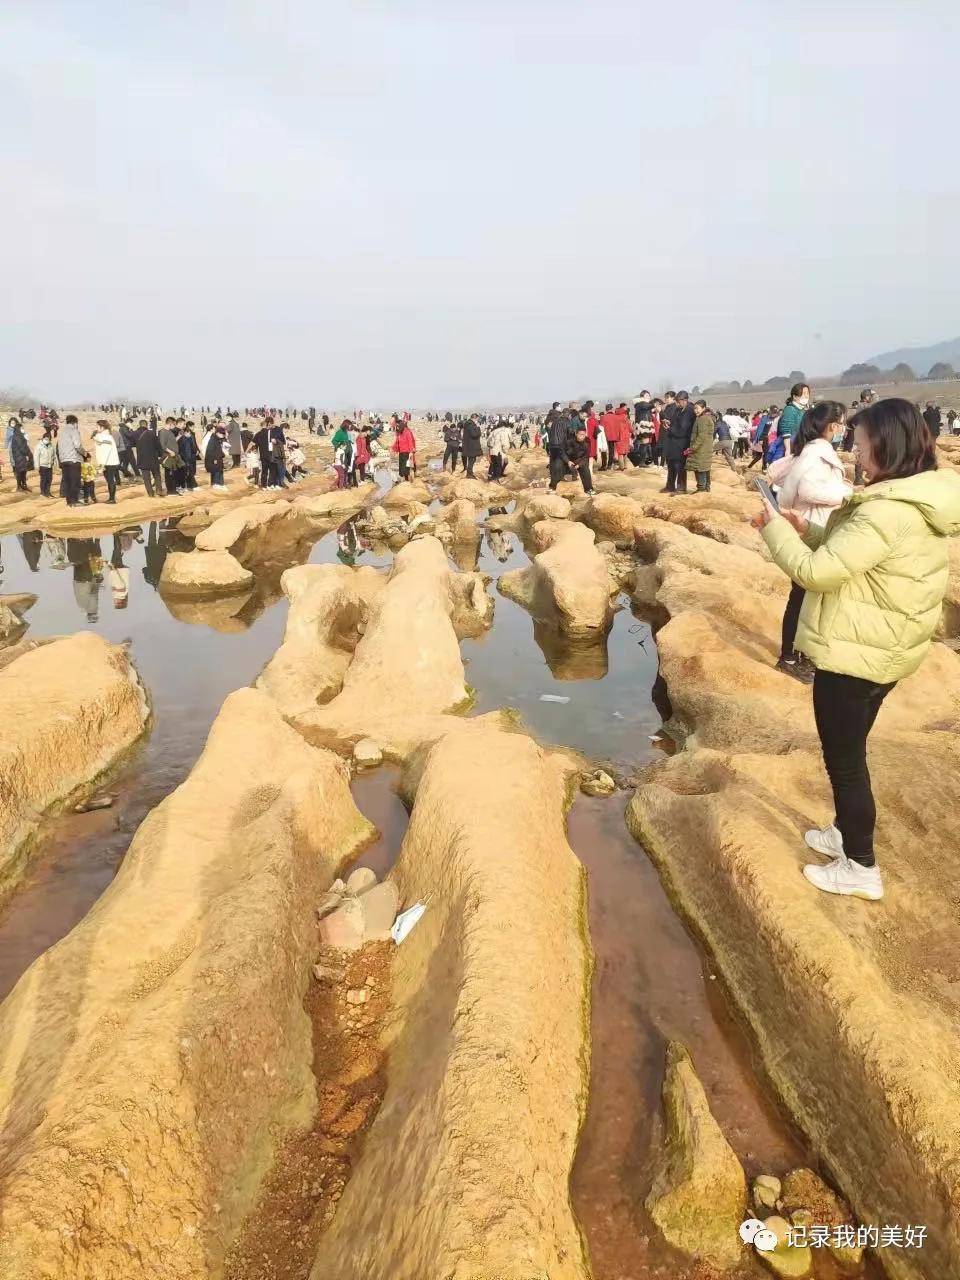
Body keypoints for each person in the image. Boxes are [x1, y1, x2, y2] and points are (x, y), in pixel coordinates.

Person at [756, 398, 960, 900]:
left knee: (845, 762)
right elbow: (859, 552)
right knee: (852, 751)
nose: (855, 453)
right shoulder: (916, 498)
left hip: (857, 656)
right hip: (886, 651)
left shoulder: (887, 512)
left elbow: (817, 573)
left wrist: (775, 531)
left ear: (886, 447)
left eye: (861, 444)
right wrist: (810, 529)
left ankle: (861, 867)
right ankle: (844, 832)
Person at [766, 401, 850, 683]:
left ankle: (797, 654)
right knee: (802, 597)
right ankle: (789, 657)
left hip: (806, 528)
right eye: (842, 423)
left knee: (803, 596)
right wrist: (845, 493)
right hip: (812, 529)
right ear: (831, 427)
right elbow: (808, 488)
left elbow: (776, 473)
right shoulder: (817, 455)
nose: (844, 429)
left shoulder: (810, 452)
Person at [661, 391, 694, 493]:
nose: (677, 404)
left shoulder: (689, 411)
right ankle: (670, 486)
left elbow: (682, 430)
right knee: (671, 464)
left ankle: (681, 488)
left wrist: (669, 428)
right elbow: (675, 422)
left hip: (682, 442)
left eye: (678, 401)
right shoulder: (678, 409)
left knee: (680, 466)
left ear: (685, 400)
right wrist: (668, 422)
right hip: (673, 441)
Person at [687, 401, 716, 491]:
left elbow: (701, 436)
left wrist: (693, 448)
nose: (695, 410)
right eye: (694, 408)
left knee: (700, 468)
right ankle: (706, 487)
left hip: (701, 449)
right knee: (705, 468)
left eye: (697, 408)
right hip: (705, 448)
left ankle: (701, 488)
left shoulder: (703, 419)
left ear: (703, 408)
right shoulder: (706, 418)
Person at [57, 413, 84, 506]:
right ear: (75, 423)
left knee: (67, 481)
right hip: (74, 459)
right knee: (75, 481)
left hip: (64, 460)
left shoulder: (61, 432)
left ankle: (69, 502)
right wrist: (85, 454)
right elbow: (78, 445)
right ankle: (74, 501)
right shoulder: (74, 430)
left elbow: (58, 447)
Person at [777, 383, 811, 455]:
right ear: (795, 396)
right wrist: (788, 449)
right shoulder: (790, 409)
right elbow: (786, 431)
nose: (806, 396)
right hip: (792, 445)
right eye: (803, 393)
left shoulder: (803, 410)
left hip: (800, 444)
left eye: (807, 393)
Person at [92, 420, 121, 503]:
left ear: (102, 427)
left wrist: (102, 465)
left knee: (110, 480)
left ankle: (112, 499)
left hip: (108, 462)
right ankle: (111, 498)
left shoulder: (104, 437)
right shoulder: (105, 436)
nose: (96, 428)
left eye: (97, 426)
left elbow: (105, 452)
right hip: (110, 462)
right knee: (110, 480)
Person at [135, 420, 164, 497]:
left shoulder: (135, 434)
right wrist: (161, 455)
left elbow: (130, 443)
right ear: (146, 425)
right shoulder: (152, 434)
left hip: (142, 459)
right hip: (153, 458)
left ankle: (150, 493)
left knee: (146, 478)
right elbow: (158, 446)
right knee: (157, 474)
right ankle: (159, 490)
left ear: (139, 425)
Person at [565, 423, 593, 494]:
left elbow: (586, 456)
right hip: (570, 461)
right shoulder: (570, 442)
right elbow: (565, 454)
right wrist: (568, 462)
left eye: (583, 435)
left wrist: (579, 465)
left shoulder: (587, 441)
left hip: (581, 460)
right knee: (567, 474)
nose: (582, 436)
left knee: (586, 470)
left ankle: (589, 489)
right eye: (580, 434)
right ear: (576, 434)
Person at [9, 419, 34, 491]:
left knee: (23, 471)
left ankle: (24, 485)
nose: (23, 429)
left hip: (21, 457)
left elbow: (25, 446)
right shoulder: (17, 436)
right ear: (18, 429)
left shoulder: (20, 435)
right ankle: (19, 486)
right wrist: (28, 454)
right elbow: (22, 447)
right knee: (20, 472)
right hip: (19, 457)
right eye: (21, 428)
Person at [204, 423, 228, 488]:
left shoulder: (217, 439)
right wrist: (215, 459)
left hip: (217, 458)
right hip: (214, 459)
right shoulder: (213, 440)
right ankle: (216, 484)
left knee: (218, 470)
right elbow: (211, 451)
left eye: (223, 434)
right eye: (222, 434)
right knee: (216, 470)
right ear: (217, 433)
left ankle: (219, 483)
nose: (223, 435)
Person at [36, 427, 56, 496]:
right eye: (46, 438)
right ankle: (42, 492)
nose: (47, 439)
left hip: (49, 465)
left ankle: (48, 492)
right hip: (42, 466)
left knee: (49, 479)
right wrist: (37, 466)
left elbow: (54, 456)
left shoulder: (51, 446)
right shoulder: (39, 446)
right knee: (43, 479)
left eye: (49, 438)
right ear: (43, 438)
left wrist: (55, 464)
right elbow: (36, 457)